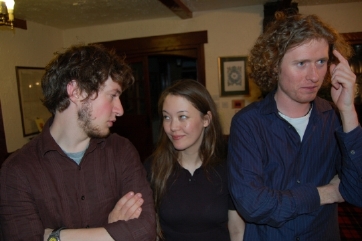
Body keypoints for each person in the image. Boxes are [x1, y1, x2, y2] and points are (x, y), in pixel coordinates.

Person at [227, 13, 362, 241]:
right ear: (274, 66)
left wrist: (348, 111)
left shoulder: (334, 118)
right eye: (301, 64)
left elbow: (357, 191)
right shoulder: (248, 122)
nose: (314, 76)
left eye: (321, 62)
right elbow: (252, 205)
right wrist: (324, 193)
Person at [0, 44, 156, 241]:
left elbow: (145, 230)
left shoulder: (121, 151)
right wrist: (112, 230)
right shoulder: (16, 171)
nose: (120, 109)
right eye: (113, 95)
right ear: (76, 92)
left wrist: (54, 237)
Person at [145, 79, 245, 241]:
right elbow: (152, 231)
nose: (173, 127)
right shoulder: (153, 167)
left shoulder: (228, 166)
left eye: (182, 116)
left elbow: (237, 231)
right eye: (166, 117)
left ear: (206, 119)